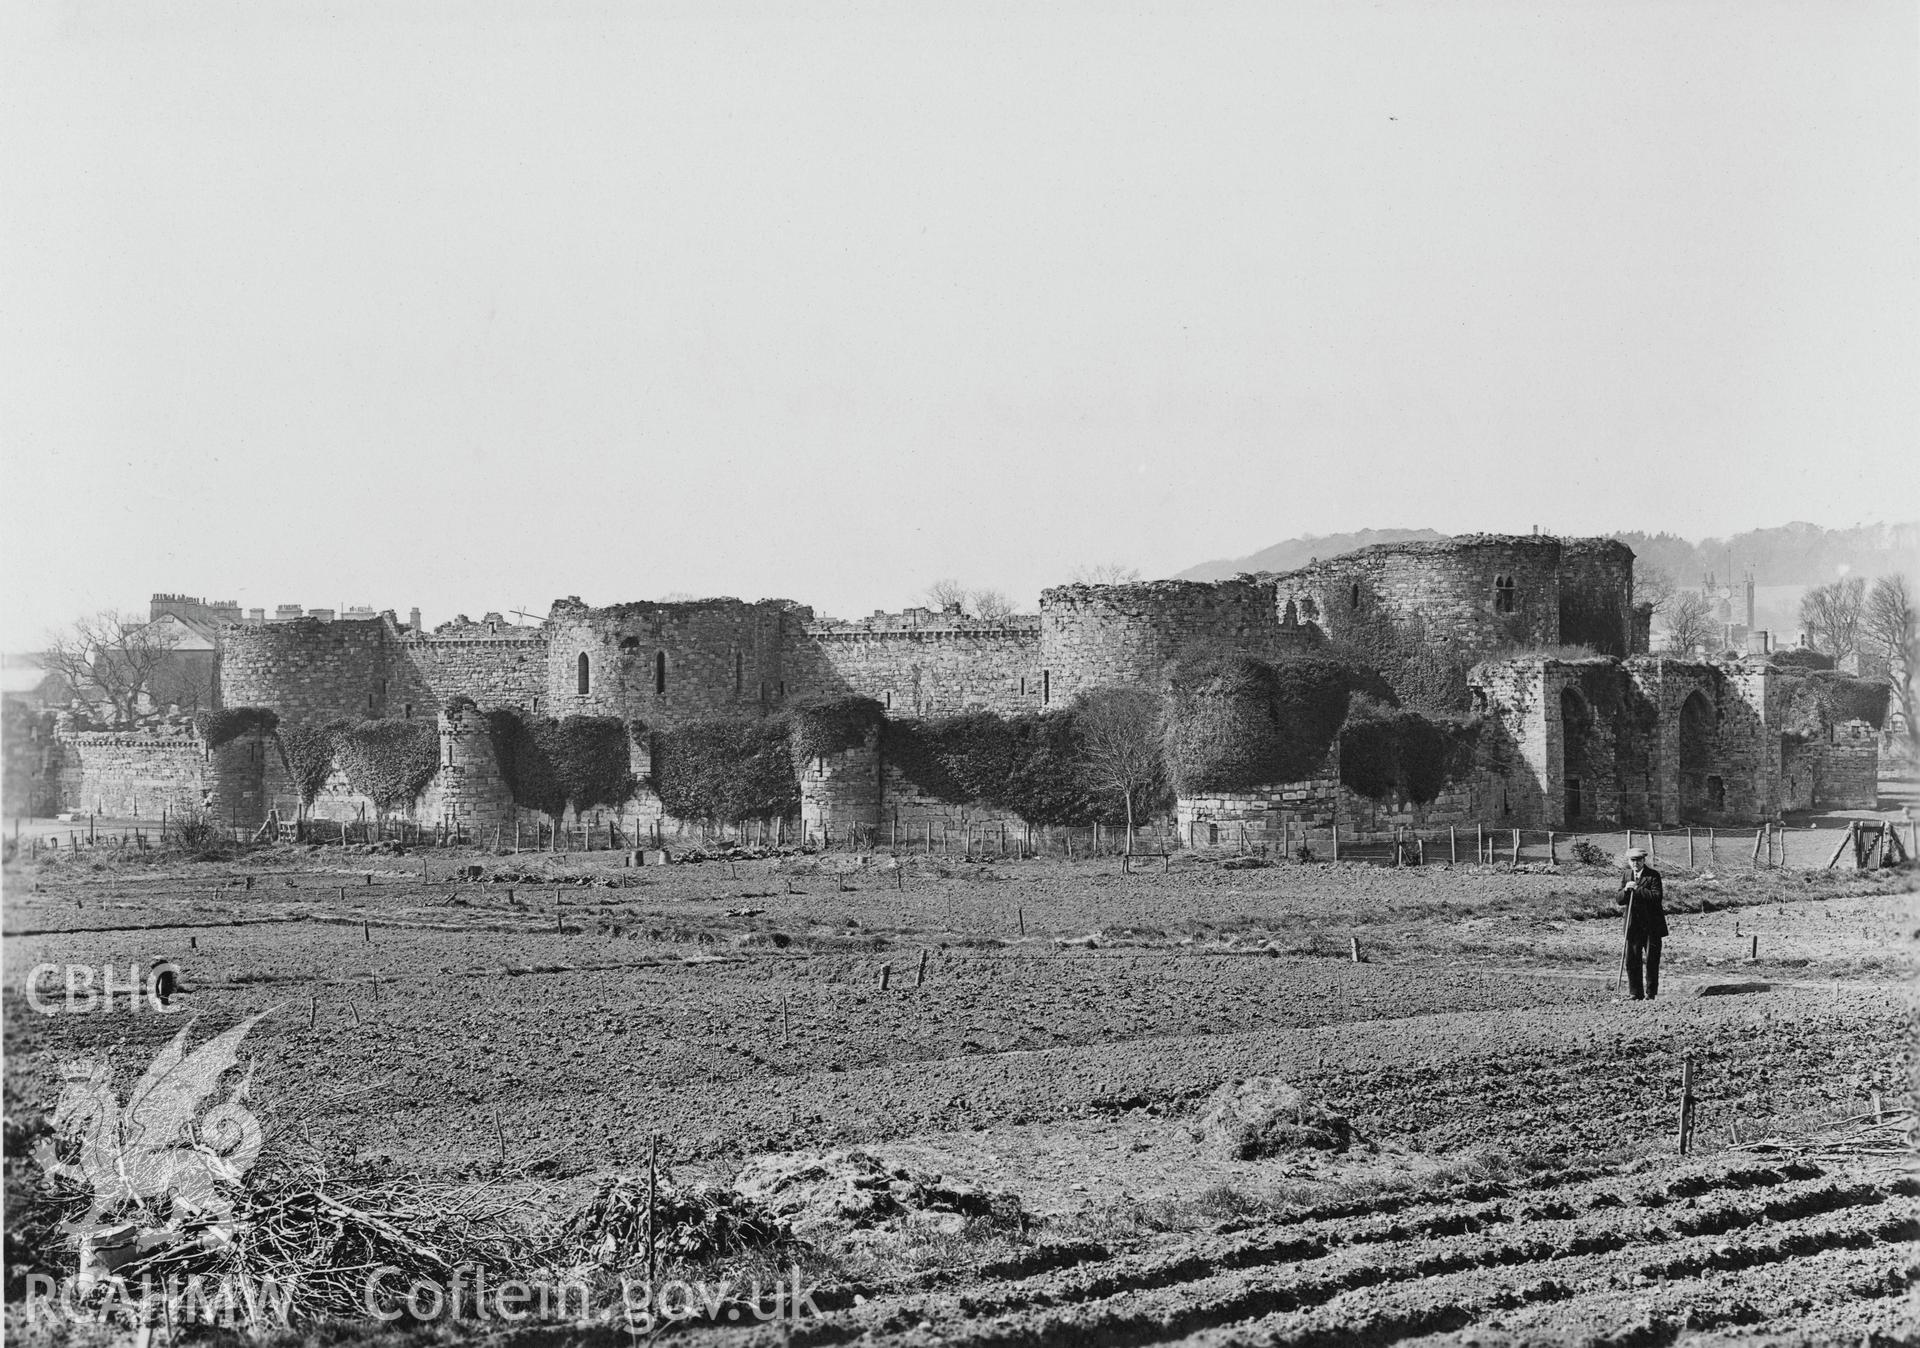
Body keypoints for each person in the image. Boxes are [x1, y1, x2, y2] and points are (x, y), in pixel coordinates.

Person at [1617, 847, 1669, 1000]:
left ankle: (1651, 993)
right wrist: (1626, 890)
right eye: (1632, 860)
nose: (1635, 863)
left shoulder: (1653, 875)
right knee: (1632, 960)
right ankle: (1635, 992)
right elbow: (1619, 900)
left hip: (1651, 925)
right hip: (1633, 925)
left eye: (1638, 860)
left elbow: (1656, 897)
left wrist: (1637, 889)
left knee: (1652, 960)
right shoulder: (1626, 875)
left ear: (1643, 860)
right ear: (1629, 861)